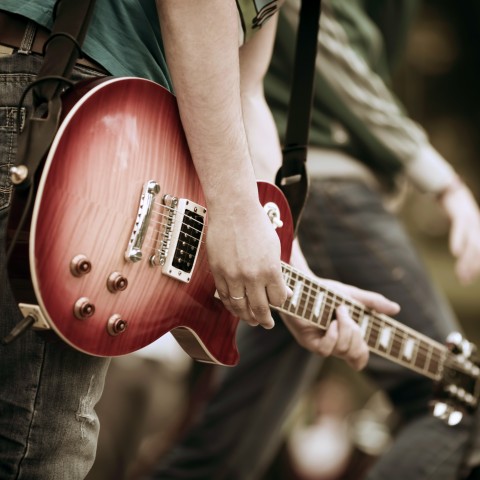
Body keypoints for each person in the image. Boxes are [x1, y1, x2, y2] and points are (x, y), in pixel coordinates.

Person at [0, 1, 401, 479]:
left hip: (66, 100)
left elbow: (246, 94)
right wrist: (231, 210)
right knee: (37, 446)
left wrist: (292, 274)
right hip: (56, 92)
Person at [150, 1, 480, 479]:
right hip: (321, 191)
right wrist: (443, 181)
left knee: (225, 451)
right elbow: (330, 53)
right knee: (457, 399)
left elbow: (254, 83)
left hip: (278, 196)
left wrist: (294, 264)